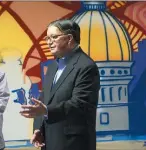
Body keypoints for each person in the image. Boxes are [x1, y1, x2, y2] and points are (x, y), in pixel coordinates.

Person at [20, 19, 100, 150]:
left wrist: (46, 111)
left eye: (54, 37)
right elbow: (44, 100)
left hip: (73, 144)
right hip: (49, 141)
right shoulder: (52, 66)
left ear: (69, 38)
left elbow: (80, 104)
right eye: (47, 38)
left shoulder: (86, 66)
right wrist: (38, 129)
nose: (48, 42)